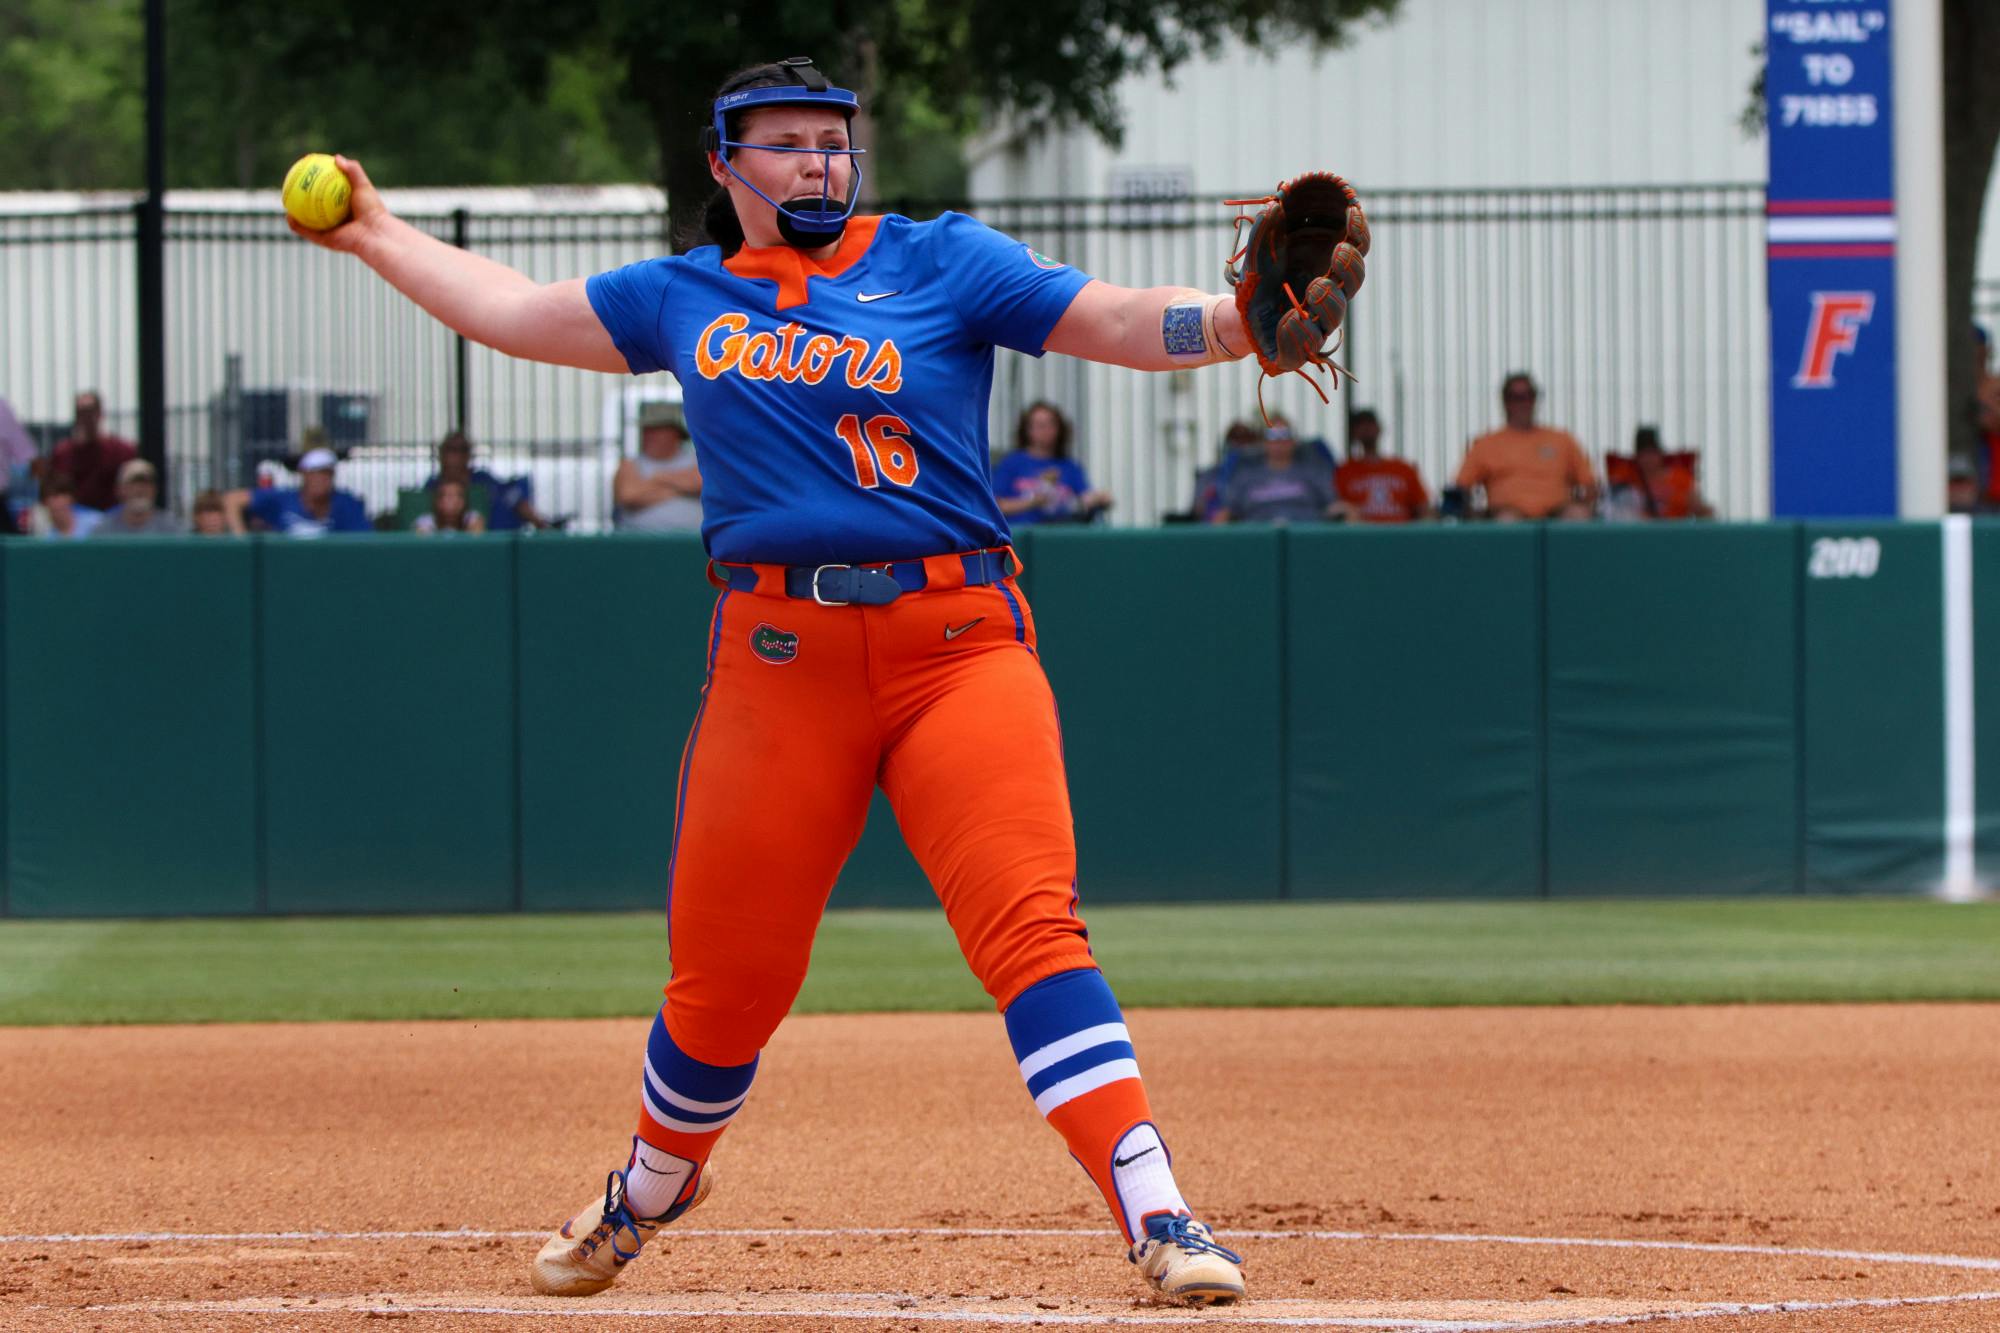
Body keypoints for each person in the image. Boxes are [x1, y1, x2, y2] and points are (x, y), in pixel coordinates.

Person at [290, 55, 1294, 1309]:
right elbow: (508, 308)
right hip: (776, 666)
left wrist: (1235, 321)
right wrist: (378, 232)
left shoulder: (939, 258)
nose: (819, 159)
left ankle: (1157, 1212)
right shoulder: (679, 295)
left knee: (1030, 927)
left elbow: (1107, 318)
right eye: (787, 143)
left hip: (959, 645)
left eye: (833, 139)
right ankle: (654, 1183)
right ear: (724, 163)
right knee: (723, 991)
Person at [1455, 373, 1596, 521]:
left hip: (1558, 513)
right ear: (1505, 402)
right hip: (1507, 513)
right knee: (1507, 520)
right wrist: (1472, 513)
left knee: (1578, 514)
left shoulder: (1562, 440)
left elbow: (1589, 484)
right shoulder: (1485, 444)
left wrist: (1583, 504)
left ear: (1535, 400)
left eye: (1528, 396)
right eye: (1516, 397)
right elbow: (1461, 487)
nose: (1523, 403)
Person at [991, 401, 1111, 524]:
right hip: (1019, 534)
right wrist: (1033, 502)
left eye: (1051, 425)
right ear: (1027, 430)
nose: (1046, 431)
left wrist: (1099, 499)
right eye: (1040, 425)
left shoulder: (1070, 467)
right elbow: (996, 506)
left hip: (1060, 535)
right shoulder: (1011, 463)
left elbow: (1084, 499)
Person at [1219, 417, 1340, 524]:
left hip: (1306, 536)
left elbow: (1334, 506)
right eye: (1273, 435)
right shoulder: (1245, 475)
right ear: (1264, 441)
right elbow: (1228, 512)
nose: (1279, 441)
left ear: (1294, 441)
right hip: (1256, 538)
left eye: (1285, 435)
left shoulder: (1313, 471)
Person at [230, 447, 372, 537]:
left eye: (326, 474)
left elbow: (364, 541)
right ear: (304, 475)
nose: (321, 479)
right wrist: (242, 540)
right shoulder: (284, 499)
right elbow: (232, 500)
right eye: (315, 473)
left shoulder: (347, 504)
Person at [424, 430, 550, 530]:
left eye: (463, 450)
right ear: (441, 454)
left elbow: (515, 500)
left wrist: (541, 525)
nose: (456, 456)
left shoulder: (484, 480)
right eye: (451, 450)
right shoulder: (432, 486)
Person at [613, 401, 704, 532]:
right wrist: (681, 488)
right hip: (640, 541)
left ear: (675, 433)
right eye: (646, 430)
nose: (649, 435)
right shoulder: (629, 464)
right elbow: (629, 496)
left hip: (691, 541)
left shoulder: (697, 460)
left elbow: (700, 483)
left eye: (656, 430)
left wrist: (658, 478)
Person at [1333, 409, 1429, 523]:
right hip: (1361, 536)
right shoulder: (1344, 471)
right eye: (1360, 425)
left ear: (1379, 428)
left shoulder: (1403, 469)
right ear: (1353, 432)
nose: (1366, 429)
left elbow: (1423, 508)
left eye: (1370, 423)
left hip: (1401, 535)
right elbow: (1336, 509)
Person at [50, 391, 140, 512]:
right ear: (76, 416)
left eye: (91, 411)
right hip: (75, 521)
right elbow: (55, 491)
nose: (87, 418)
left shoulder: (122, 451)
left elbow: (134, 486)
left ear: (100, 414)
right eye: (82, 412)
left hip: (115, 519)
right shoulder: (63, 454)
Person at [1604, 427, 1713, 521]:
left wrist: (1702, 510)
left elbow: (1701, 511)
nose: (1648, 458)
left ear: (1661, 454)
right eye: (1643, 453)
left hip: (1674, 535)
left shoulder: (1681, 478)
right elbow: (1609, 507)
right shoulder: (1624, 475)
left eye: (1652, 452)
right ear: (1636, 457)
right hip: (1635, 535)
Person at [88, 459, 186, 536]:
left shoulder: (172, 530)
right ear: (120, 490)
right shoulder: (103, 531)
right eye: (133, 484)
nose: (140, 490)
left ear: (155, 489)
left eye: (146, 484)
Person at [26, 471, 99, 539]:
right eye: (51, 496)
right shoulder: (45, 537)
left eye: (58, 495)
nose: (56, 503)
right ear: (44, 503)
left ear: (71, 498)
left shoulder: (95, 523)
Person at [412, 477, 485, 534]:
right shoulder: (425, 521)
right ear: (438, 502)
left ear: (463, 502)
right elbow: (424, 546)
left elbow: (475, 540)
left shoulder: (472, 518)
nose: (452, 501)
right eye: (447, 496)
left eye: (457, 496)